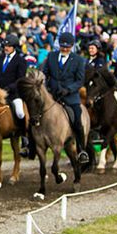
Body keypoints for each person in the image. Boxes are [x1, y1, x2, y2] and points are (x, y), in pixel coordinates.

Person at [42, 32, 89, 163]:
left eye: (67, 47)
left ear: (72, 46)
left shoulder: (78, 60)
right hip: (52, 95)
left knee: (77, 121)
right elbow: (45, 74)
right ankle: (31, 146)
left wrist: (68, 89)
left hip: (70, 96)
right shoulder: (51, 56)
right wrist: (47, 88)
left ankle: (82, 150)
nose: (64, 49)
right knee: (36, 116)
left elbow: (79, 81)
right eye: (62, 46)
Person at [0, 33, 29, 155]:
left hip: (14, 94)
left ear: (14, 47)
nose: (6, 48)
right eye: (5, 46)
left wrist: (8, 88)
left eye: (9, 46)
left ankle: (24, 135)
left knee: (20, 111)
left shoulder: (21, 61)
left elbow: (20, 79)